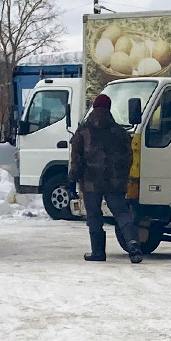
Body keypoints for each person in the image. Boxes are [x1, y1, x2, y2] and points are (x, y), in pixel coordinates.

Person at [68, 93, 137, 263]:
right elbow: (129, 156)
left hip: (91, 181)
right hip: (115, 181)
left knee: (94, 215)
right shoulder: (120, 132)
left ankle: (98, 252)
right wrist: (123, 176)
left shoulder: (84, 130)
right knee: (121, 212)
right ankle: (134, 245)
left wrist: (73, 178)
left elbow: (76, 157)